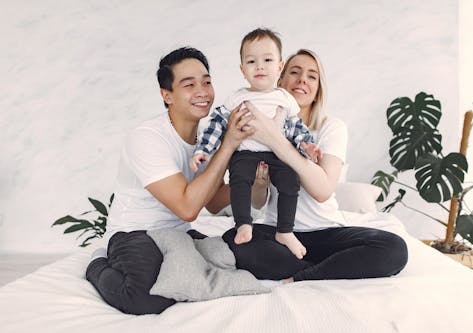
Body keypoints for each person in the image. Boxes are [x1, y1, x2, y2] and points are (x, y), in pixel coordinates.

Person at [85, 47, 256, 315]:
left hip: (180, 234)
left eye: (207, 82)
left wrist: (256, 180)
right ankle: (96, 264)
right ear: (167, 95)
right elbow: (187, 208)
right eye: (189, 84)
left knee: (248, 260)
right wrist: (229, 146)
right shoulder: (147, 138)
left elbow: (212, 202)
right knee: (144, 298)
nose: (202, 91)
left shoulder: (208, 138)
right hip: (136, 233)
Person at [222, 49, 409, 282]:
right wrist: (259, 184)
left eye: (312, 76)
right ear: (280, 79)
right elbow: (258, 202)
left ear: (318, 88)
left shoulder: (330, 127)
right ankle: (331, 267)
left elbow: (322, 191)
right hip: (277, 232)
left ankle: (306, 273)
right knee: (233, 239)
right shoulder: (257, 125)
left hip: (325, 232)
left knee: (394, 249)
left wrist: (275, 140)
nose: (302, 80)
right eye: (295, 72)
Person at [191, 28, 320, 259]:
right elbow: (217, 124)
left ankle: (285, 230)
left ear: (279, 67)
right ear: (243, 70)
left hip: (278, 155)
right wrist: (203, 150)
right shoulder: (237, 98)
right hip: (246, 153)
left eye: (267, 60)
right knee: (239, 180)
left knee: (291, 181)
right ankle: (243, 223)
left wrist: (307, 146)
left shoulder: (284, 99)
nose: (260, 66)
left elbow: (295, 128)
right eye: (251, 61)